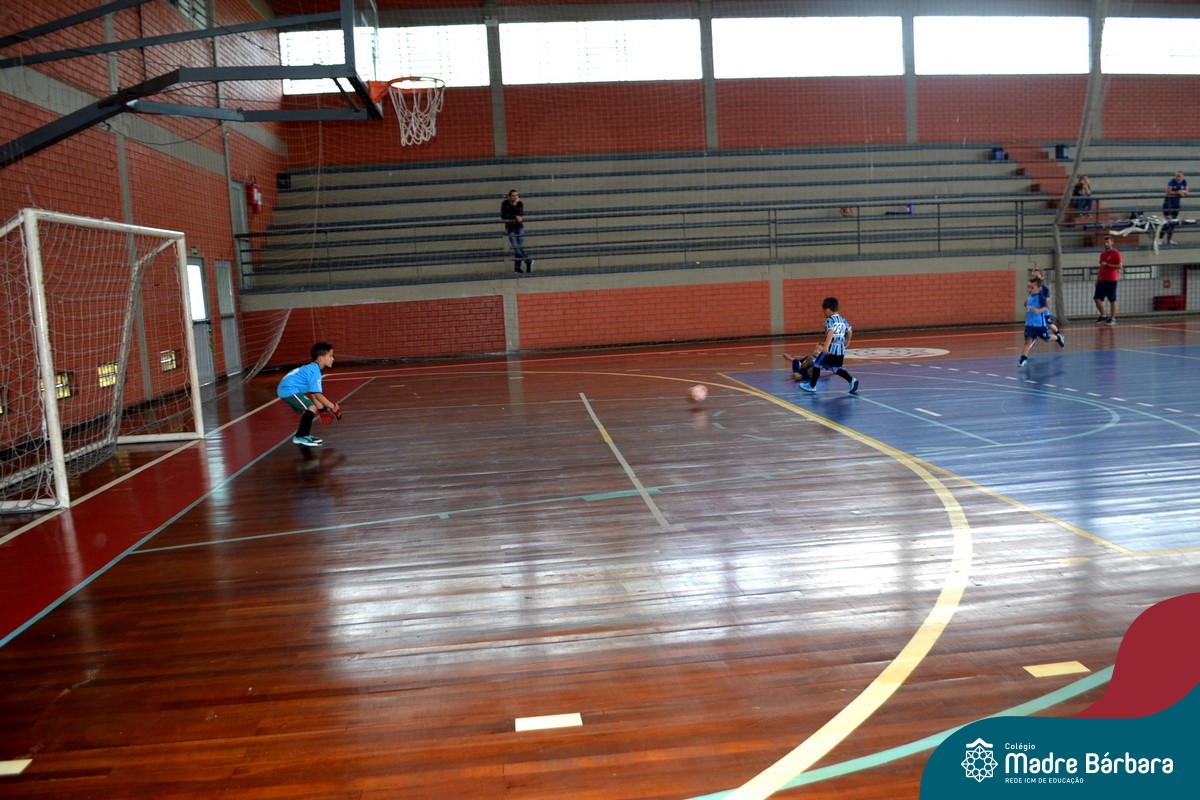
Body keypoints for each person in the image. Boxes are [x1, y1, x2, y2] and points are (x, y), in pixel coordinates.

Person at [784, 297, 859, 395]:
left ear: (828, 309)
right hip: (840, 348)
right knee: (836, 368)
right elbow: (849, 331)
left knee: (817, 364)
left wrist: (826, 346)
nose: (823, 313)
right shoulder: (843, 320)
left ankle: (812, 386)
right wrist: (847, 341)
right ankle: (851, 380)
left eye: (824, 311)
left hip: (831, 347)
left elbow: (830, 332)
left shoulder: (829, 320)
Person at [278, 342, 341, 447]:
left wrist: (321, 410)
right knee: (311, 407)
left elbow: (314, 394)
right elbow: (318, 395)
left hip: (288, 388)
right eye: (330, 356)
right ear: (321, 358)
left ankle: (304, 435)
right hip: (288, 389)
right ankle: (300, 436)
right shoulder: (314, 371)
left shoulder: (313, 368)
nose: (333, 359)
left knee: (310, 409)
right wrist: (333, 407)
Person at [1018, 276, 1059, 366]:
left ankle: (1057, 338)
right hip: (1029, 324)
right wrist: (1025, 303)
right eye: (1028, 287)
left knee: (1046, 339)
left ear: (1039, 288)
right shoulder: (1030, 296)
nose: (1029, 289)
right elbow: (1027, 305)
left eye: (1032, 288)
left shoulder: (1040, 297)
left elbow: (1046, 307)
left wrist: (1038, 310)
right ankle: (1023, 358)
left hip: (1040, 325)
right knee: (1027, 341)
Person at [1030, 269, 1065, 347]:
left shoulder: (1044, 289)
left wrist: (1044, 301)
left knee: (1050, 325)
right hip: (1037, 312)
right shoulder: (1033, 288)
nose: (1034, 278)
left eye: (1036, 276)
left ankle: (1059, 335)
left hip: (1044, 311)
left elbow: (1048, 298)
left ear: (1042, 277)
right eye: (1033, 276)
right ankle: (1033, 338)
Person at [501, 189, 534, 273]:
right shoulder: (505, 203)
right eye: (513, 195)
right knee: (517, 247)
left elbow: (520, 217)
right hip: (510, 229)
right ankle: (528, 261)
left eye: (517, 195)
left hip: (519, 228)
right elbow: (504, 216)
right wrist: (514, 211)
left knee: (518, 248)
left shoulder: (520, 203)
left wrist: (515, 209)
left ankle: (517, 268)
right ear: (509, 196)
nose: (515, 197)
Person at [1094, 235, 1122, 325]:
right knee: (1097, 298)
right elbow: (1101, 267)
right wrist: (1097, 279)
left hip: (1111, 279)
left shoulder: (1116, 253)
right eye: (1105, 242)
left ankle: (1113, 318)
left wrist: (1108, 265)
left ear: (1112, 243)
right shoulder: (1103, 254)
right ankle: (1103, 315)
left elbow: (1119, 266)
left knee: (1112, 299)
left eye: (1108, 242)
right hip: (1102, 280)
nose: (1106, 244)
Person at [1162, 171, 1189, 244]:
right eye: (1177, 176)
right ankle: (1160, 239)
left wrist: (1182, 191)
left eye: (1179, 176)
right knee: (1167, 222)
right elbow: (1168, 191)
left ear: (1182, 177)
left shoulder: (1184, 181)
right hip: (1168, 204)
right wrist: (1178, 192)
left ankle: (1169, 239)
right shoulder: (1172, 181)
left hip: (1176, 205)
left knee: (1173, 223)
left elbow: (1187, 191)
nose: (1178, 178)